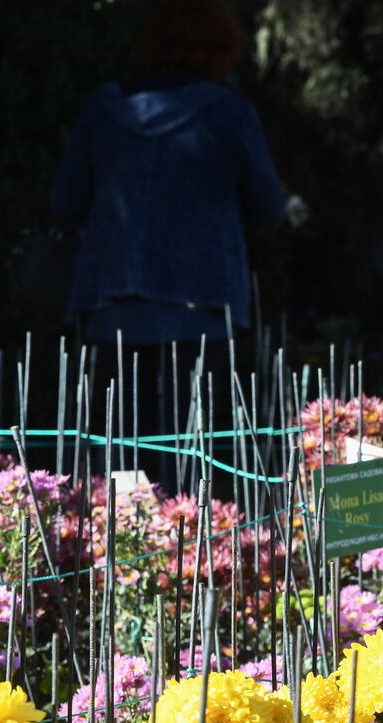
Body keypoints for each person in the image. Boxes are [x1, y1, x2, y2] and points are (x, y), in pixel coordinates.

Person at [50, 0, 290, 454]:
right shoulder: (228, 114)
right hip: (202, 304)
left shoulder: (103, 108)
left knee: (119, 460)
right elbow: (268, 210)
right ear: (220, 51)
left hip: (113, 304)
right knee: (192, 462)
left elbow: (64, 203)